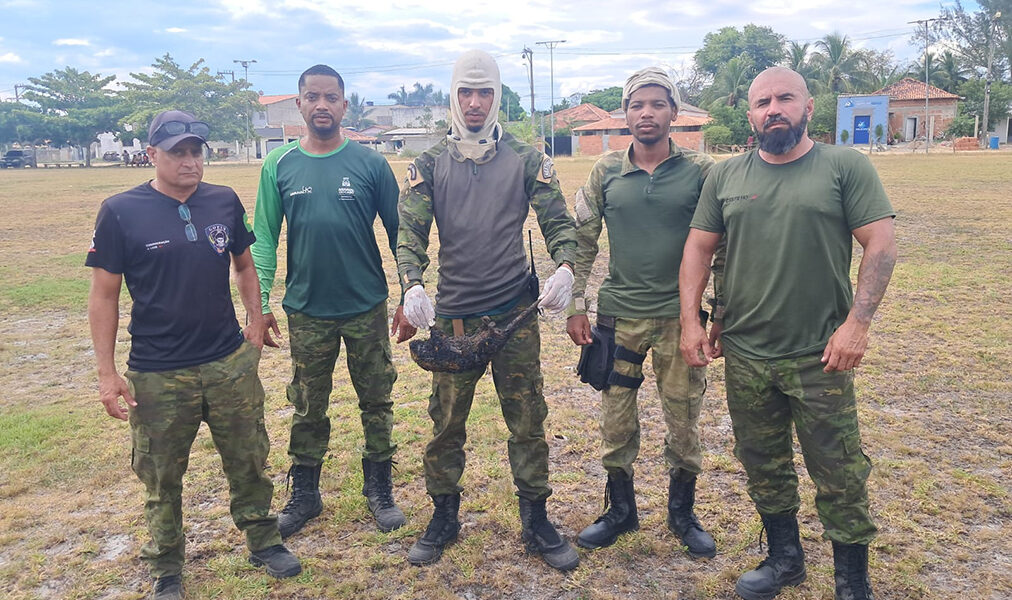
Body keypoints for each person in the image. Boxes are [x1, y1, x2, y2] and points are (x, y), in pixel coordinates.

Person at [679, 67, 896, 600]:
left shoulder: (844, 166)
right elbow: (698, 250)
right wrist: (692, 320)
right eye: (761, 102)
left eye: (784, 99)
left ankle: (852, 581)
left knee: (840, 470)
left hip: (820, 353)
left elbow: (881, 245)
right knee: (763, 462)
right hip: (746, 353)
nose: (772, 109)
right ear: (750, 114)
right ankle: (784, 559)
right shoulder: (725, 177)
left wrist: (857, 325)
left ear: (808, 107)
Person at [86, 110, 301, 600]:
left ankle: (263, 540)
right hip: (158, 372)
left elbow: (245, 264)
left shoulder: (223, 201)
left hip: (228, 362)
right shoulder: (120, 211)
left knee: (249, 459)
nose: (190, 161)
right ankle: (167, 568)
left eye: (196, 151)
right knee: (162, 477)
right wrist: (106, 373)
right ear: (152, 155)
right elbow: (104, 296)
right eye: (178, 152)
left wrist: (255, 317)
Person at [397, 49, 579, 572]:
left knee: (527, 419)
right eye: (465, 92)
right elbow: (409, 233)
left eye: (484, 92)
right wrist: (411, 284)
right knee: (446, 423)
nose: (474, 103)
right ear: (452, 95)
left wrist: (565, 265)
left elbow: (559, 222)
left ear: (497, 96)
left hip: (515, 315)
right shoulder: (429, 163)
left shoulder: (526, 158)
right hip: (454, 318)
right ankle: (444, 516)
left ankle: (536, 518)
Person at [251, 64, 413, 539]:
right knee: (307, 404)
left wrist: (410, 294)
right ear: (299, 104)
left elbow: (402, 233)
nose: (321, 104)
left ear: (345, 105)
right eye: (312, 96)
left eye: (331, 97)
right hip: (306, 309)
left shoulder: (370, 164)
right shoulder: (278, 164)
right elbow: (263, 238)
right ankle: (305, 494)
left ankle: (379, 490)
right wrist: (259, 305)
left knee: (377, 399)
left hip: (366, 305)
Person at [566, 67, 719, 558]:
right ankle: (620, 510)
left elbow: (725, 244)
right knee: (616, 419)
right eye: (637, 105)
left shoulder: (703, 171)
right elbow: (583, 241)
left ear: (674, 112)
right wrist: (576, 304)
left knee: (684, 416)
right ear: (625, 114)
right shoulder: (605, 171)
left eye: (657, 104)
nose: (646, 113)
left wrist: (719, 312)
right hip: (619, 317)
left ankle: (682, 514)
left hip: (682, 320)